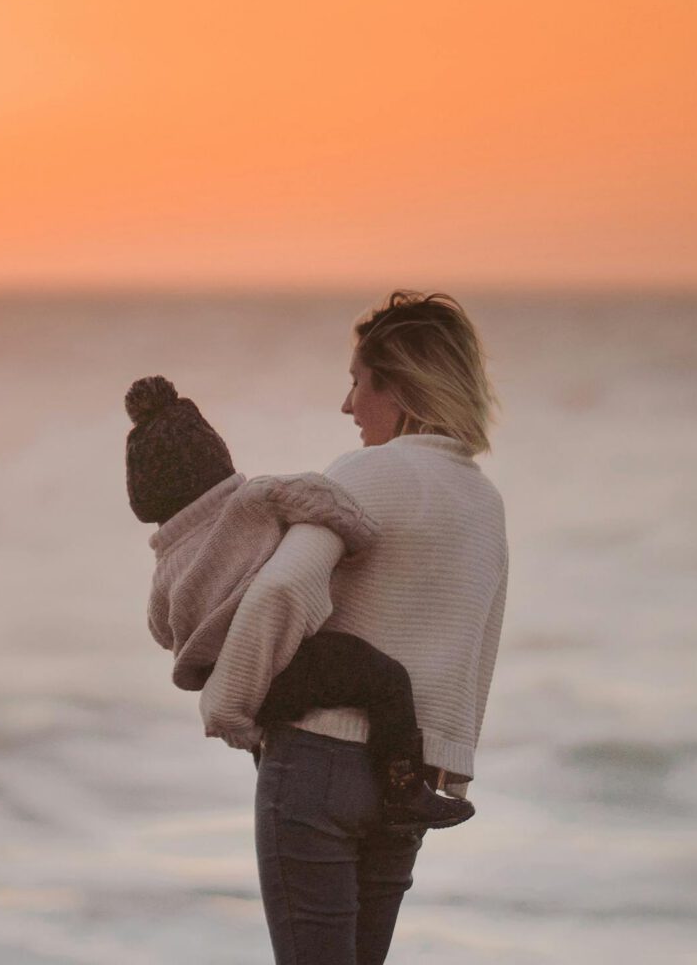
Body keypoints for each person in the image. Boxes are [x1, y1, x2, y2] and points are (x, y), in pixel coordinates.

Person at [199, 291, 510, 965]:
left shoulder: (369, 471)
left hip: (320, 766)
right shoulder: (484, 502)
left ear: (399, 386)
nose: (347, 406)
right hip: (408, 782)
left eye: (358, 382)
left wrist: (230, 705)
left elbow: (283, 586)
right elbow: (476, 653)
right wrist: (448, 771)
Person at [130, 375, 472, 829]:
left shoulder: (164, 573)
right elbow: (317, 496)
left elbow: (162, 630)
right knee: (386, 680)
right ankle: (402, 786)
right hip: (290, 658)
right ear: (216, 458)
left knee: (272, 751)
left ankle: (281, 794)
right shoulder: (253, 500)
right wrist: (359, 536)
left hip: (237, 683)